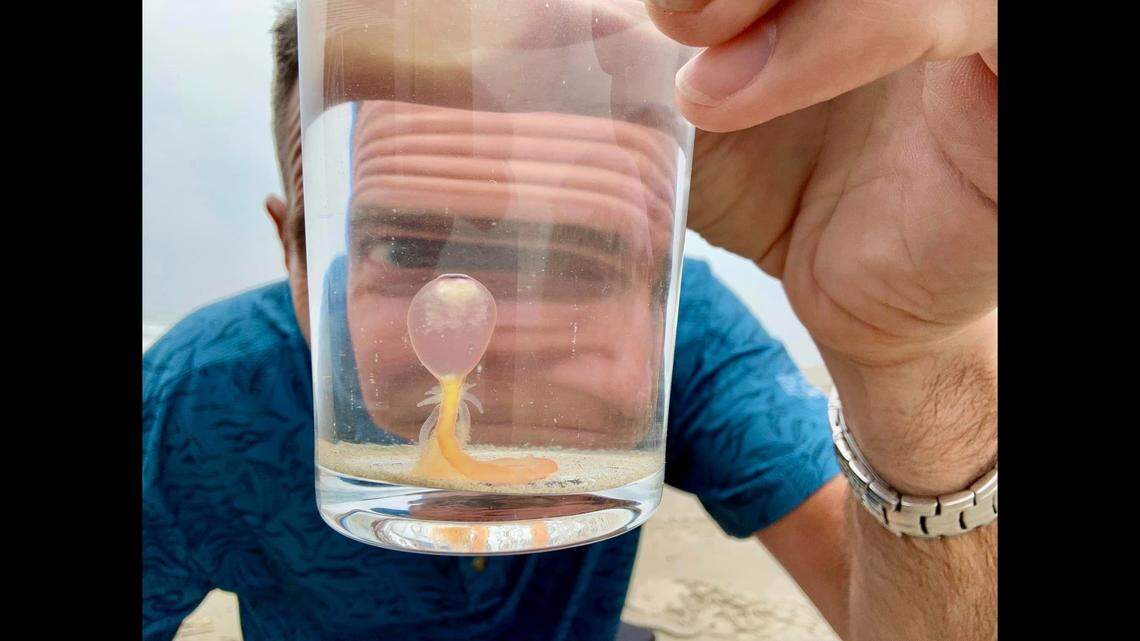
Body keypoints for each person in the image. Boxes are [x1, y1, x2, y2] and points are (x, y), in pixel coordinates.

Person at [143, 1, 997, 640]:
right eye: (407, 250)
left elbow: (883, 611)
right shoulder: (192, 405)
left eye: (575, 262)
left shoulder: (682, 335)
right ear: (297, 254)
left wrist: (912, 354)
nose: (490, 348)